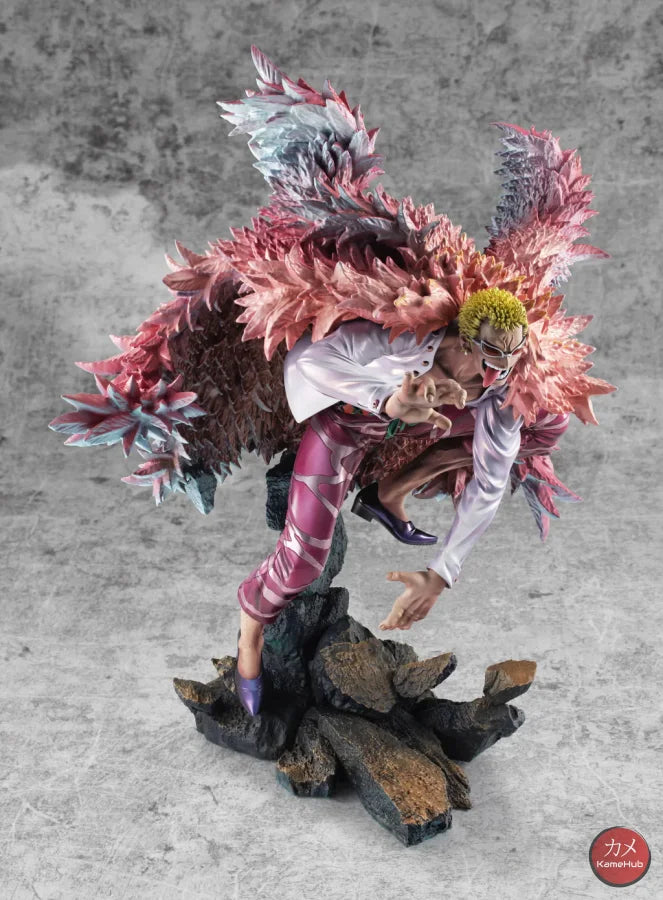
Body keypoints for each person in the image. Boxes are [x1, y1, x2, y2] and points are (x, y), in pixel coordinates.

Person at [234, 288, 543, 715]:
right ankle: (250, 636)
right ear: (464, 340)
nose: (500, 369)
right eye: (491, 356)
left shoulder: (500, 388)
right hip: (344, 426)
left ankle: (389, 492)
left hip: (416, 427)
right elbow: (310, 360)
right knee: (304, 560)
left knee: (545, 421)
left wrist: (441, 572)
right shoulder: (405, 336)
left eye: (512, 355)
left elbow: (490, 480)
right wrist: (387, 398)